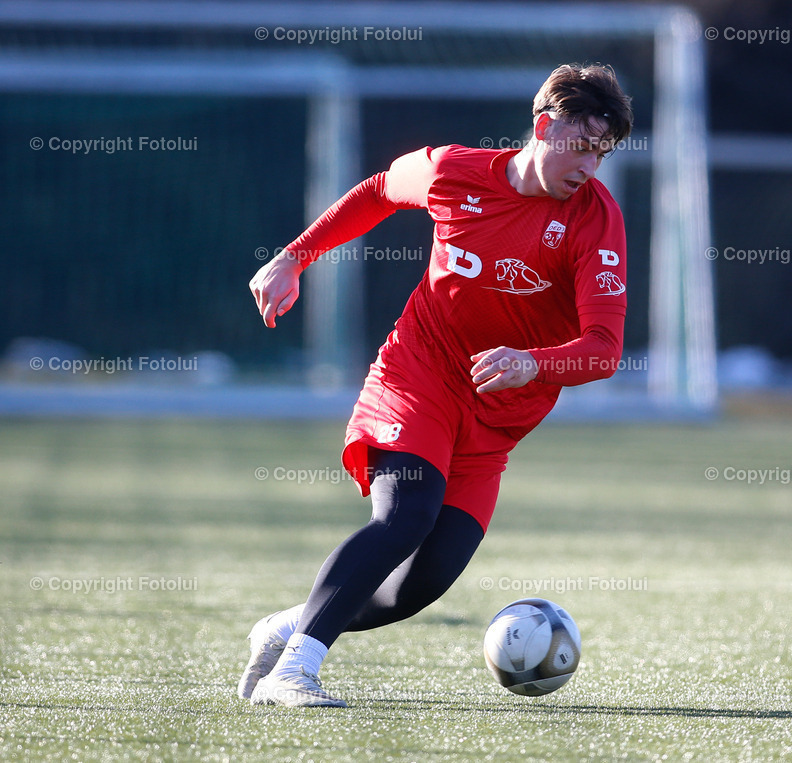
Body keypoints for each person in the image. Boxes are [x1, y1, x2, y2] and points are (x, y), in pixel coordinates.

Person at [241, 63, 633, 707]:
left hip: (496, 420)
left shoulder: (595, 221)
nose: (590, 165)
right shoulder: (453, 171)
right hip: (418, 376)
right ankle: (295, 673)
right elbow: (378, 191)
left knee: (415, 588)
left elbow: (604, 350)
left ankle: (285, 630)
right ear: (543, 128)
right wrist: (294, 255)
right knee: (404, 516)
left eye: (603, 152)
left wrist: (535, 361)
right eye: (581, 146)